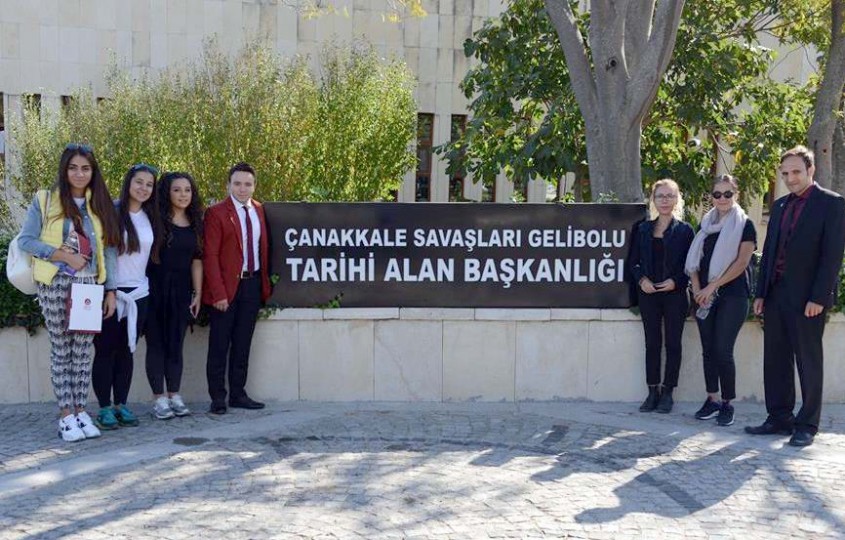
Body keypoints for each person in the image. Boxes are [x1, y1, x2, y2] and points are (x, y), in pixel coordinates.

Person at [17, 143, 119, 442]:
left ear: (93, 172)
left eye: (85, 168)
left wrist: (110, 290)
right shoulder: (45, 200)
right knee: (62, 350)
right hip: (55, 283)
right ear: (64, 169)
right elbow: (26, 241)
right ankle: (65, 415)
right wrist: (61, 255)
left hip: (89, 285)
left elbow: (109, 250)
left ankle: (80, 410)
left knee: (83, 352)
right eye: (73, 167)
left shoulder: (100, 205)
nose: (79, 173)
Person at [746, 146, 845, 447]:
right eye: (785, 173)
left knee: (808, 361)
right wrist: (761, 293)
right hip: (776, 294)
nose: (790, 178)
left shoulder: (832, 204)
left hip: (808, 299)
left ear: (810, 170)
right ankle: (779, 417)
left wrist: (819, 296)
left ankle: (807, 425)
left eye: (796, 172)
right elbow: (770, 250)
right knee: (775, 360)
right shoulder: (778, 206)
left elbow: (832, 256)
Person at [91, 164, 159, 430]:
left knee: (127, 351)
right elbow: (103, 253)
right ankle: (105, 408)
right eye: (139, 182)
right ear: (129, 183)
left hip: (139, 294)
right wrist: (108, 290)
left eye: (149, 184)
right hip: (111, 294)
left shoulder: (151, 216)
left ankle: (121, 404)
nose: (143, 188)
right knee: (105, 351)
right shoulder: (113, 213)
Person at [686, 174, 756, 427]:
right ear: (711, 197)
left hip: (733, 295)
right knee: (708, 351)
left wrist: (712, 286)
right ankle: (712, 399)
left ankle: (728, 403)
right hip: (703, 296)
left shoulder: (745, 224)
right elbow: (693, 262)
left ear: (735, 195)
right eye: (717, 194)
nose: (722, 198)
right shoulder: (704, 226)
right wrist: (697, 289)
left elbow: (741, 263)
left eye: (728, 194)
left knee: (723, 350)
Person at [203, 162, 272, 414]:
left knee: (243, 344)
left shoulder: (259, 210)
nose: (243, 189)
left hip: (252, 285)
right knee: (219, 344)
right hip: (226, 288)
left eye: (248, 184)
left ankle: (238, 394)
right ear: (229, 185)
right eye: (237, 183)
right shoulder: (216, 213)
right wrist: (218, 293)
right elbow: (210, 256)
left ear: (254, 186)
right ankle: (218, 398)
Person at [629, 179, 694, 413]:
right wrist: (641, 280)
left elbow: (691, 265)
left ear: (677, 199)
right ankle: (652, 391)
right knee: (652, 343)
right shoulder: (643, 229)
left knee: (673, 344)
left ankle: (668, 392)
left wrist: (676, 281)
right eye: (660, 196)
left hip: (675, 295)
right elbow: (632, 262)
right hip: (648, 294)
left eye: (669, 196)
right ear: (653, 200)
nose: (665, 200)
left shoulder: (686, 231)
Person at [145, 172, 203, 420]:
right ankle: (159, 399)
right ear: (167, 192)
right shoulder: (154, 220)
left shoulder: (196, 221)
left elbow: (197, 260)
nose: (183, 195)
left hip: (181, 291)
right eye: (177, 189)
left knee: (176, 345)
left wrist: (198, 293)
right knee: (156, 344)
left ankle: (174, 395)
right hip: (154, 289)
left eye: (187, 190)